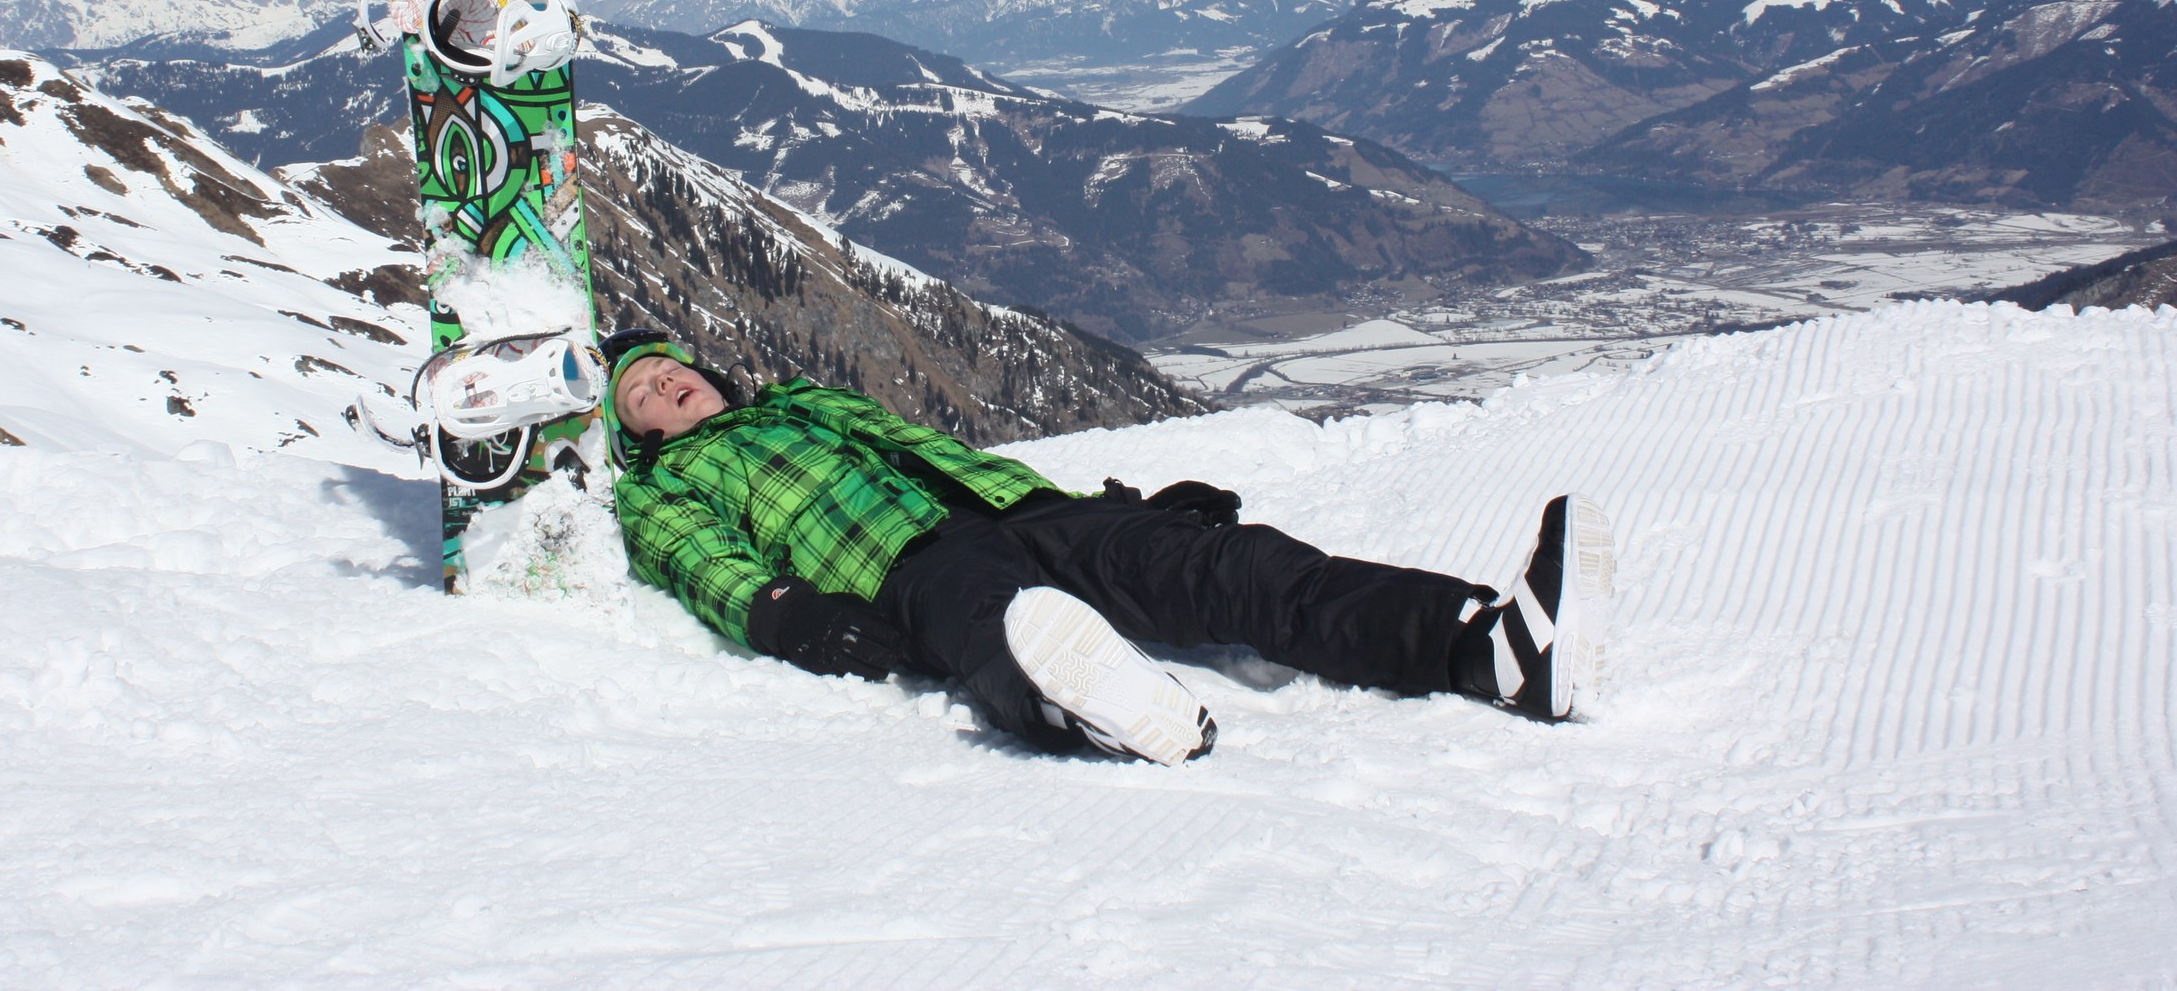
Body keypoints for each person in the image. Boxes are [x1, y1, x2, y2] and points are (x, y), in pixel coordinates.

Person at [598, 330, 1615, 765]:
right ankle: (1093, 707)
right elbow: (700, 562)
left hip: (1025, 509)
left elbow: (939, 454)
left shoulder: (806, 399)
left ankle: (1483, 647)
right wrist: (787, 617)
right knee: (1002, 630)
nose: (663, 384)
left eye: (667, 367)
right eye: (639, 393)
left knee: (1224, 565)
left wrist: (1119, 507)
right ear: (636, 433)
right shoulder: (663, 487)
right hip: (905, 563)